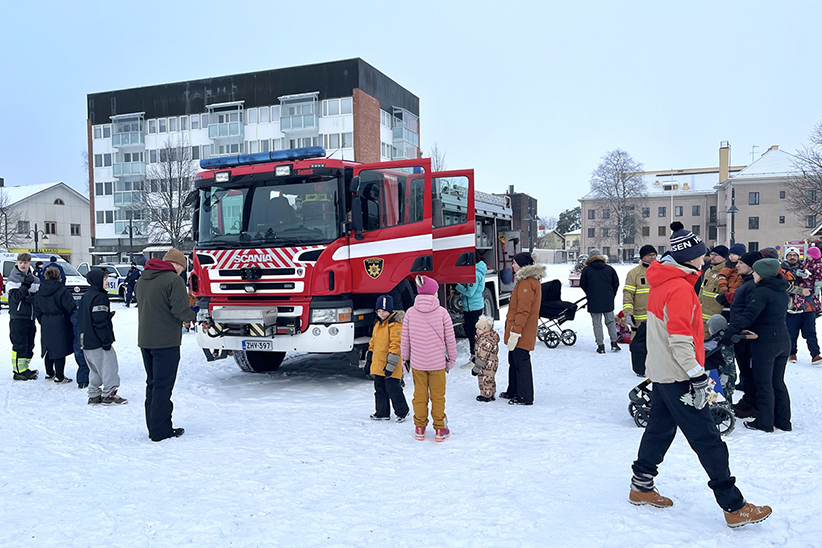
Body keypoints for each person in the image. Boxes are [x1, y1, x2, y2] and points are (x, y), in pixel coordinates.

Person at [629, 222, 771, 528]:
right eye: (700, 255)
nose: (704, 259)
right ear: (688, 257)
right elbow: (679, 340)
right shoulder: (679, 288)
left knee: (659, 430)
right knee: (708, 440)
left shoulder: (662, 283)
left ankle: (641, 486)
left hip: (663, 371)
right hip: (679, 374)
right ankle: (734, 506)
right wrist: (697, 376)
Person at [722, 258, 791, 432]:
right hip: (783, 340)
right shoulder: (781, 289)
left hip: (765, 343)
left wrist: (731, 331)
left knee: (763, 383)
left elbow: (749, 315)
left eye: (756, 272)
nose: (754, 274)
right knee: (778, 382)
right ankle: (783, 421)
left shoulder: (762, 292)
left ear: (764, 274)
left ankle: (765, 422)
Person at [136, 248, 196, 442]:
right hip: (166, 341)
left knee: (152, 384)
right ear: (177, 264)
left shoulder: (143, 279)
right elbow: (180, 311)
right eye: (182, 268)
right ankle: (161, 430)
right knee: (163, 386)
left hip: (145, 339)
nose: (181, 272)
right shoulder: (173, 280)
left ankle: (153, 426)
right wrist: (194, 315)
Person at [400, 275, 457, 442]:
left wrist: (405, 360)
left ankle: (420, 428)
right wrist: (451, 359)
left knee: (419, 396)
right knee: (438, 396)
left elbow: (405, 339)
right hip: (437, 364)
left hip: (418, 364)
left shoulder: (410, 312)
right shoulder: (442, 312)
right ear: (434, 293)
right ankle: (440, 429)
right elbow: (450, 339)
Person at [501, 252, 545, 405]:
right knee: (514, 361)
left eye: (514, 262)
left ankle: (524, 396)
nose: (512, 265)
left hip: (521, 331)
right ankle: (513, 390)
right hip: (519, 330)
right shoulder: (525, 281)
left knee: (521, 362)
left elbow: (523, 311)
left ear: (522, 264)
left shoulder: (527, 283)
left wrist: (516, 331)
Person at [79, 268, 126, 405]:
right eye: (105, 279)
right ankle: (109, 393)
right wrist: (106, 340)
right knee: (109, 366)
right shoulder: (100, 297)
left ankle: (94, 394)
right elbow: (99, 321)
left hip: (86, 340)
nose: (107, 282)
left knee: (95, 369)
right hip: (97, 340)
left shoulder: (87, 295)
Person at [726, 252, 761, 418]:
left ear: (752, 266)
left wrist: (735, 329)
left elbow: (749, 312)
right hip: (741, 334)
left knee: (749, 370)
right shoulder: (747, 282)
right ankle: (748, 399)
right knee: (745, 370)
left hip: (747, 335)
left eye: (741, 263)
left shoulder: (753, 285)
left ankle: (753, 403)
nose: (737, 266)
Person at [366, 294, 409, 422]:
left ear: (390, 310)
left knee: (393, 389)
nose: (381, 313)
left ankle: (402, 411)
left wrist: (390, 365)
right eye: (379, 311)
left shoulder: (395, 325)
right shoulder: (378, 324)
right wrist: (369, 359)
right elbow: (372, 343)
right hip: (379, 364)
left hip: (391, 365)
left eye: (384, 311)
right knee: (379, 389)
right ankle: (382, 412)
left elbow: (396, 345)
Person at [34, 267, 77, 384]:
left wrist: (42, 319)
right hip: (60, 321)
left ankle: (49, 373)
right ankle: (59, 376)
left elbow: (36, 308)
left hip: (46, 321)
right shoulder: (62, 290)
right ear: (59, 276)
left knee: (48, 348)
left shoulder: (40, 290)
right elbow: (70, 306)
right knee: (60, 348)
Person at [782, 246, 821, 364]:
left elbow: (817, 279)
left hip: (808, 305)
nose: (792, 257)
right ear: (786, 257)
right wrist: (798, 290)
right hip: (791, 306)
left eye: (795, 255)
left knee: (810, 331)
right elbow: (782, 286)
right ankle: (792, 353)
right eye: (790, 255)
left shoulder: (806, 267)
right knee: (791, 332)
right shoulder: (782, 270)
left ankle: (815, 355)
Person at [580, 248, 621, 353]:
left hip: (594, 301)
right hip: (608, 299)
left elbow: (583, 284)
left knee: (597, 323)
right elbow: (616, 283)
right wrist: (611, 294)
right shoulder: (609, 269)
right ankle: (614, 342)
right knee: (611, 322)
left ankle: (600, 345)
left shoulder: (587, 270)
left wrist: (590, 293)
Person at [8, 253, 40, 380]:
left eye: (25, 263)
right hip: (18, 316)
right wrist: (25, 286)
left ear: (29, 264)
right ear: (17, 263)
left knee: (29, 344)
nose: (23, 265)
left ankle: (24, 368)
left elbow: (39, 297)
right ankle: (18, 372)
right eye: (20, 262)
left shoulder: (35, 280)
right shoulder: (13, 279)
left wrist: (33, 299)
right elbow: (15, 297)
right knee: (19, 344)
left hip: (30, 317)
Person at [456, 251, 487, 368]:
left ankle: (475, 359)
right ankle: (476, 357)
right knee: (473, 333)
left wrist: (458, 286)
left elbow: (470, 292)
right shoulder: (479, 271)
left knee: (472, 333)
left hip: (473, 308)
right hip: (473, 306)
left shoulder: (475, 274)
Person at [622, 245, 656, 330]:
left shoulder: (662, 271)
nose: (652, 257)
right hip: (640, 317)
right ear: (642, 257)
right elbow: (628, 294)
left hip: (658, 317)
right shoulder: (634, 274)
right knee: (639, 342)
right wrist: (628, 313)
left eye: (654, 254)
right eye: (649, 255)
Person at [698, 245, 729, 329]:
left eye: (715, 255)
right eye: (711, 254)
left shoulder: (727, 273)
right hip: (702, 315)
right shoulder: (708, 271)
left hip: (716, 318)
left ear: (724, 257)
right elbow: (702, 291)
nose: (712, 257)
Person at [471, 315, 500, 402]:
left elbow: (483, 356)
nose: (477, 331)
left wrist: (476, 368)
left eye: (479, 329)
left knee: (485, 379)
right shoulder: (485, 338)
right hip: (490, 362)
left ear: (485, 329)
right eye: (477, 329)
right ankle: (491, 393)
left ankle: (486, 396)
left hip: (487, 363)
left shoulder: (486, 341)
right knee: (490, 378)